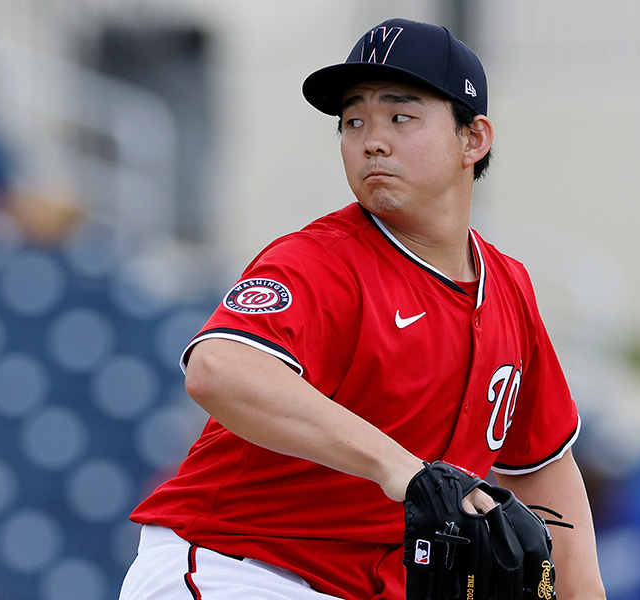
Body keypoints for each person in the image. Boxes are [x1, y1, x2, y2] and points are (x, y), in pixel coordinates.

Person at [119, 17, 606, 600]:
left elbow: (546, 474)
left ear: (473, 139)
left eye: (401, 116)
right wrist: (400, 467)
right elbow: (217, 368)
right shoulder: (322, 260)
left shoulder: (509, 288)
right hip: (238, 563)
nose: (372, 139)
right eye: (354, 122)